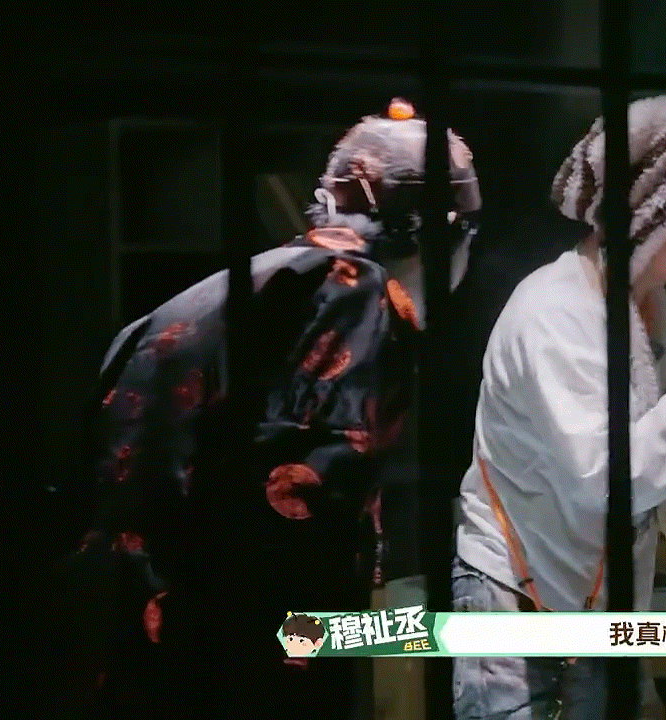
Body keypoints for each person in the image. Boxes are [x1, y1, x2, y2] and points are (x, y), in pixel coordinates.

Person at [46, 98, 480, 718]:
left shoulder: (259, 283)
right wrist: (329, 646)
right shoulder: (350, 294)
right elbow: (303, 503)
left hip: (123, 626)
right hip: (217, 651)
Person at [452, 95, 666, 720]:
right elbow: (612, 480)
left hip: (587, 613)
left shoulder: (639, 311)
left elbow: (652, 454)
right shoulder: (556, 312)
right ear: (663, 208)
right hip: (514, 607)